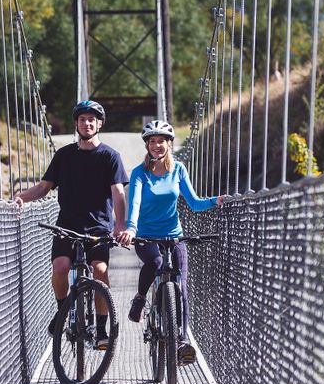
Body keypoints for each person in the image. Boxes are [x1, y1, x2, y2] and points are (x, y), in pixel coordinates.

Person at [15, 100, 128, 350]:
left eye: (92, 119)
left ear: (99, 124)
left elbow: (118, 192)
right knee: (60, 267)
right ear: (76, 123)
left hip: (98, 229)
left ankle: (100, 329)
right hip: (66, 226)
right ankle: (62, 310)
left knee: (99, 269)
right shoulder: (64, 155)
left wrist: (120, 225)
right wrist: (21, 197)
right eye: (82, 119)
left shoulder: (110, 156)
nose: (87, 123)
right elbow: (44, 188)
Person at [116, 120, 223, 364]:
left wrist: (216, 201)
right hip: (145, 235)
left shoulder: (179, 170)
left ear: (169, 144)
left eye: (161, 141)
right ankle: (141, 298)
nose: (156, 145)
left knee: (181, 285)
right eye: (152, 141)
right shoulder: (139, 173)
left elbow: (194, 203)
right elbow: (134, 204)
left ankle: (183, 341)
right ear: (147, 145)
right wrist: (131, 228)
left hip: (174, 234)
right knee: (154, 261)